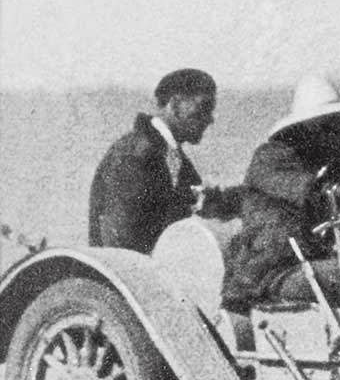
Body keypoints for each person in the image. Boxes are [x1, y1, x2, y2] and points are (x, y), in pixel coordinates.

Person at [221, 75, 340, 317]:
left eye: (337, 123)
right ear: (306, 127)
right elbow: (309, 193)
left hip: (306, 265)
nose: (334, 132)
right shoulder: (271, 158)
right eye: (326, 125)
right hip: (269, 274)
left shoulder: (327, 163)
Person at [88, 68, 242, 253]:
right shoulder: (135, 155)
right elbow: (119, 242)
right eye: (204, 108)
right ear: (175, 105)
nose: (210, 120)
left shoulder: (168, 155)